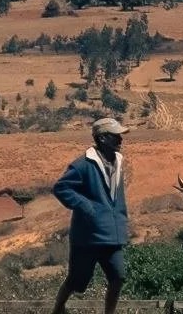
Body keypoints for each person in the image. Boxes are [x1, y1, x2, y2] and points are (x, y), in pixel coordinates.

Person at [51, 117, 130, 314]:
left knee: (118, 276)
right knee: (77, 280)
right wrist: (85, 205)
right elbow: (61, 188)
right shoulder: (83, 164)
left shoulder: (119, 161)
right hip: (88, 237)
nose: (120, 139)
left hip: (112, 235)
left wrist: (121, 220)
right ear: (102, 138)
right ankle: (58, 309)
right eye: (115, 136)